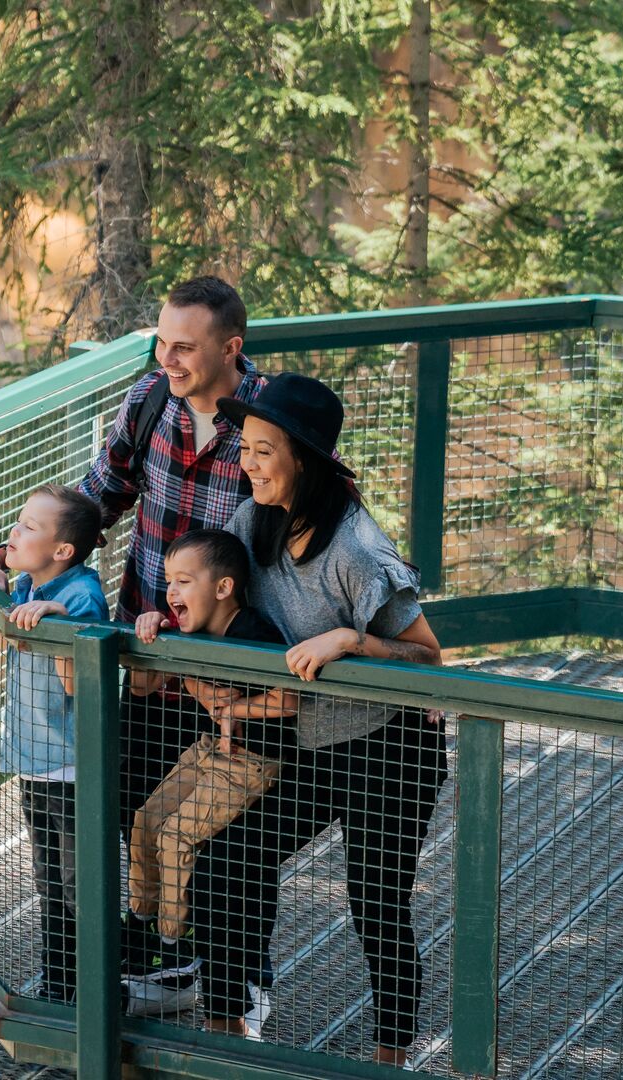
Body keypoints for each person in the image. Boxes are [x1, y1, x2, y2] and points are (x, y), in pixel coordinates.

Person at [0, 275, 265, 1008]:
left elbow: (290, 539)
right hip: (144, 655)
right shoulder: (151, 400)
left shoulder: (263, 424)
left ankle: (241, 980)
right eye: (161, 342)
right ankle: (162, 963)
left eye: (185, 347)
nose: (168, 358)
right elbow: (97, 499)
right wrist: (4, 553)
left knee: (227, 828)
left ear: (230, 348)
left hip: (222, 661)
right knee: (139, 812)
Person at [192, 373, 448, 1064]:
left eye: (263, 451)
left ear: (302, 459)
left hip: (389, 745)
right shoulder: (253, 521)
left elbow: (429, 660)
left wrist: (351, 641)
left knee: (375, 898)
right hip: (310, 740)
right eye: (244, 447)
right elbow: (209, 588)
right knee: (229, 853)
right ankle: (228, 1024)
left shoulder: (357, 553)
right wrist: (168, 614)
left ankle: (391, 1053)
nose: (247, 463)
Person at [0, 484, 109, 1001]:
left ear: (62, 551)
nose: (12, 533)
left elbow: (84, 686)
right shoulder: (25, 582)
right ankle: (59, 985)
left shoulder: (81, 595)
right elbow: (12, 633)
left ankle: (98, 989)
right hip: (35, 762)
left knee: (79, 886)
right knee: (49, 883)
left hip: (72, 767)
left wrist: (61, 630)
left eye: (27, 527)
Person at [126, 530, 297, 950]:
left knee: (175, 835)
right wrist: (150, 634)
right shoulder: (189, 628)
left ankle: (172, 944)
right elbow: (142, 687)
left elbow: (289, 699)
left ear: (223, 588)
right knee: (145, 821)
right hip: (208, 749)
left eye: (184, 581)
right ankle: (140, 919)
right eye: (169, 582)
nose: (171, 592)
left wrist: (232, 710)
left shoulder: (253, 630)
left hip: (250, 761)